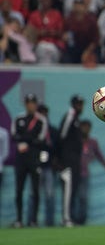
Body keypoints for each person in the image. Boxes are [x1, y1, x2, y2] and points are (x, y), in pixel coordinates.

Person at [11, 93, 48, 228]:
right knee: (19, 190)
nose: (31, 105)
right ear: (26, 104)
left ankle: (33, 220)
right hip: (21, 159)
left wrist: (26, 141)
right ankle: (19, 219)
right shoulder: (18, 119)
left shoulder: (41, 120)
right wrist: (27, 141)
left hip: (34, 159)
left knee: (35, 190)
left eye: (33, 103)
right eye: (28, 103)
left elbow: (41, 139)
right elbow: (14, 135)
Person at [75, 120, 105, 225]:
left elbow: (98, 154)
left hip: (84, 173)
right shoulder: (76, 141)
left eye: (88, 127)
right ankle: (72, 218)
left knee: (83, 197)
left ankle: (82, 219)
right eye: (83, 127)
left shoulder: (92, 142)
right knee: (73, 197)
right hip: (73, 173)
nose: (85, 129)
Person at [59, 94, 85, 227]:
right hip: (68, 162)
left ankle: (70, 216)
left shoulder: (76, 118)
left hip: (74, 161)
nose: (80, 107)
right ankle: (66, 218)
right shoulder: (70, 116)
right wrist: (61, 161)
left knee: (73, 190)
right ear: (73, 104)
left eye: (81, 104)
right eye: (78, 104)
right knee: (68, 191)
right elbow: (61, 136)